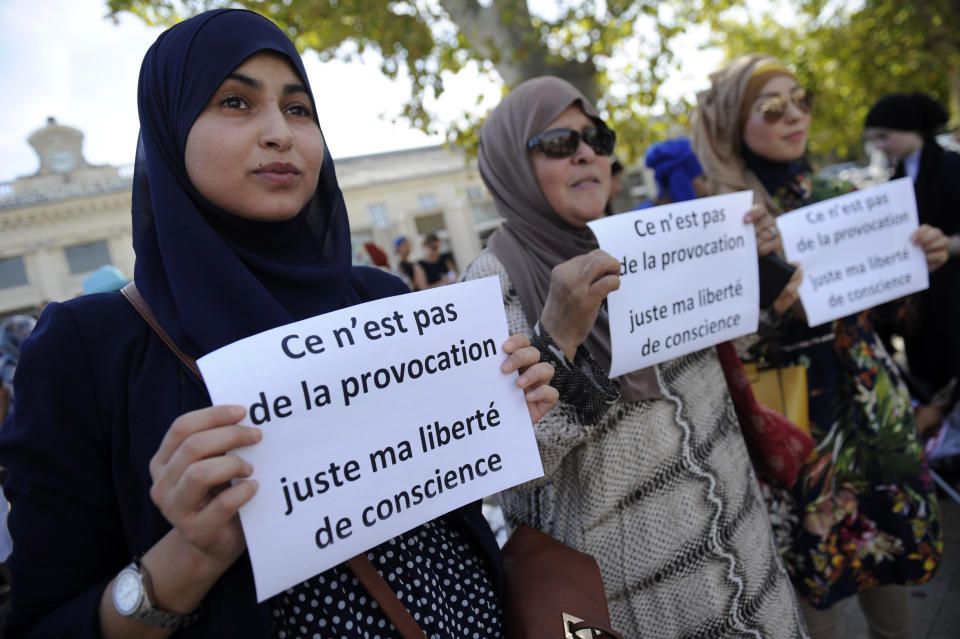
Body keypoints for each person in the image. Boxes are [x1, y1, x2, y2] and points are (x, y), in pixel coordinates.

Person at [0, 10, 557, 638]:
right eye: (235, 101)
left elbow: (441, 506)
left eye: (299, 109)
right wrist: (188, 558)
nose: (279, 134)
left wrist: (495, 420)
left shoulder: (381, 299)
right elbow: (42, 625)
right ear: (168, 130)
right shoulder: (89, 349)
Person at [460, 75, 807, 638]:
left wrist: (756, 283)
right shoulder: (487, 286)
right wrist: (558, 338)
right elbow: (506, 475)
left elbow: (711, 365)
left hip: (749, 568)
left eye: (598, 138)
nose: (586, 154)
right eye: (557, 144)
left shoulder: (645, 240)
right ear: (511, 165)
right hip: (638, 601)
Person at [692, 54, 948, 639]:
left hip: (867, 399)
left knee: (888, 557)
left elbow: (890, 312)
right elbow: (720, 345)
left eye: (800, 99)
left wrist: (919, 261)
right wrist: (759, 281)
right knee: (810, 577)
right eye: (772, 107)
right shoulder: (723, 219)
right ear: (735, 123)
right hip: (792, 413)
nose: (794, 116)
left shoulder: (839, 190)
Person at [865, 93, 960, 407]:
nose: (879, 145)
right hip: (921, 304)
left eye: (884, 136)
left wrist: (946, 245)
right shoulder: (897, 179)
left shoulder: (951, 167)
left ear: (909, 129)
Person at [644, 137, 709, 205]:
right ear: (684, 180)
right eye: (704, 178)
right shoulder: (713, 207)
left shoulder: (644, 212)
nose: (707, 186)